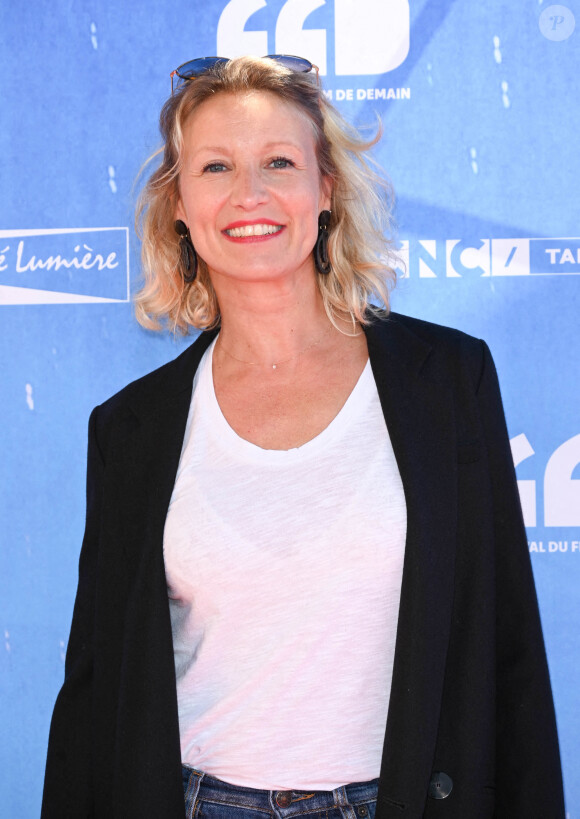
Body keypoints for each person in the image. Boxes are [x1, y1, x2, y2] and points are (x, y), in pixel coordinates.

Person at [42, 56, 565, 819]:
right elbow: (95, 693)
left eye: (279, 162)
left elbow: (508, 652)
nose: (249, 194)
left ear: (324, 190)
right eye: (216, 166)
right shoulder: (131, 428)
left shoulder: (447, 382)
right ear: (179, 205)